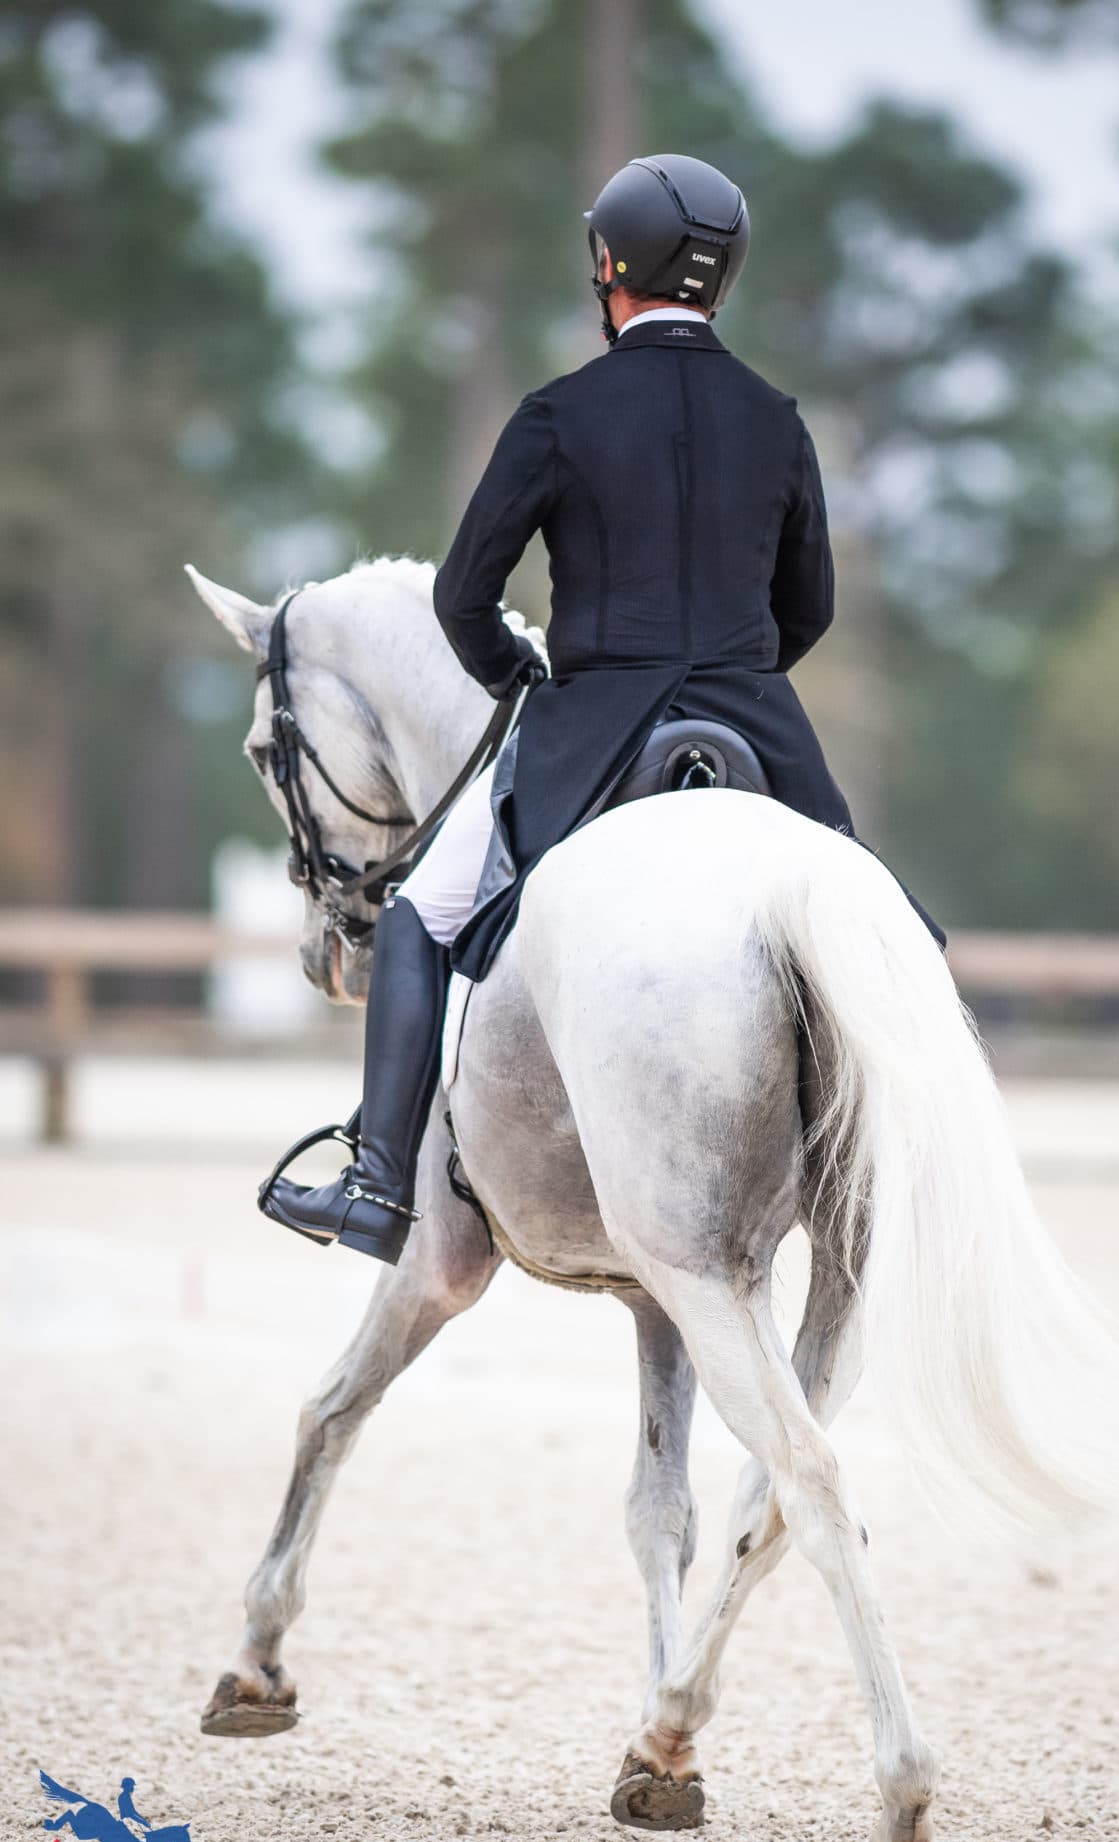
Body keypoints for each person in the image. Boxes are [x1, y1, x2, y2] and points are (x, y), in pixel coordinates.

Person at [260, 153, 941, 1266]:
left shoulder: (559, 412)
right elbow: (805, 607)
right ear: (719, 281)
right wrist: (741, 673)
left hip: (590, 729)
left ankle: (380, 1184)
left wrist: (523, 684)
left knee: (423, 914)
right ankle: (908, 1174)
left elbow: (459, 595)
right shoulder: (775, 417)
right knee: (889, 928)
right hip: (754, 726)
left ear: (609, 268)